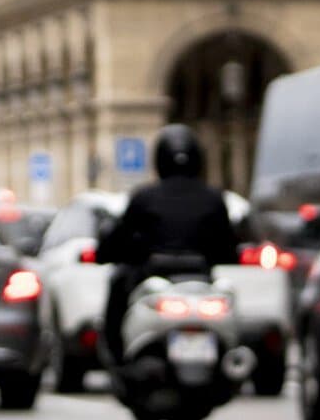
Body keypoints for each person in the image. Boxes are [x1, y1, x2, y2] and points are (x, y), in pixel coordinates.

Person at [96, 125, 240, 361]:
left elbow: (118, 240)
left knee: (118, 283)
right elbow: (228, 247)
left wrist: (107, 252)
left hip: (152, 280)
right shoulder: (214, 198)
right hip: (202, 282)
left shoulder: (145, 197)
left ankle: (116, 355)